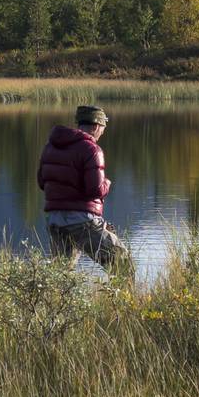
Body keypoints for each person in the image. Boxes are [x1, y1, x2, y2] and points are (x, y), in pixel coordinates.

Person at [36, 104, 130, 274]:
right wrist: (107, 183)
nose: (103, 132)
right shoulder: (92, 150)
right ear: (96, 126)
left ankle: (52, 301)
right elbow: (95, 190)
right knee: (122, 263)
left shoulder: (50, 146)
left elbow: (42, 182)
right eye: (103, 127)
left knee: (61, 276)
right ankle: (126, 301)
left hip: (55, 221)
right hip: (82, 222)